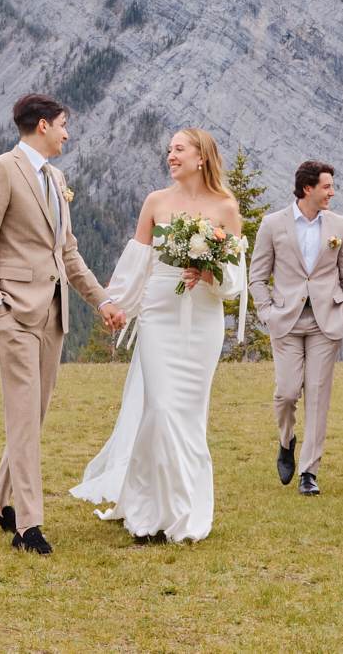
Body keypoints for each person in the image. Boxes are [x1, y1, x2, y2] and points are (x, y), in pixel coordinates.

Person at [0, 91, 124, 556]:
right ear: (41, 127)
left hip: (55, 314)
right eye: (61, 125)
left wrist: (102, 301)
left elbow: (67, 253)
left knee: (31, 418)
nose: (66, 133)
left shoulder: (56, 177)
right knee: (22, 417)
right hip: (14, 312)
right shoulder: (1, 170)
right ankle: (27, 526)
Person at [71, 128, 246, 542]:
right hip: (158, 314)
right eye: (168, 149)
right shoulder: (156, 201)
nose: (170, 155)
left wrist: (209, 272)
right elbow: (137, 262)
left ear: (201, 156)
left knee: (187, 415)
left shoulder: (226, 207)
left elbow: (237, 275)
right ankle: (147, 514)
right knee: (161, 409)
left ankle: (183, 513)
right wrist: (115, 306)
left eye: (179, 149)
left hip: (202, 318)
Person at [246, 159, 343, 495]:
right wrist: (266, 311)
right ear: (307, 188)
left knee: (317, 394)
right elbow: (257, 276)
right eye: (327, 186)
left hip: (327, 322)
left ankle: (309, 472)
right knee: (286, 393)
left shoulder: (340, 225)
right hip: (285, 320)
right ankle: (287, 440)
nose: (332, 192)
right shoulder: (272, 224)